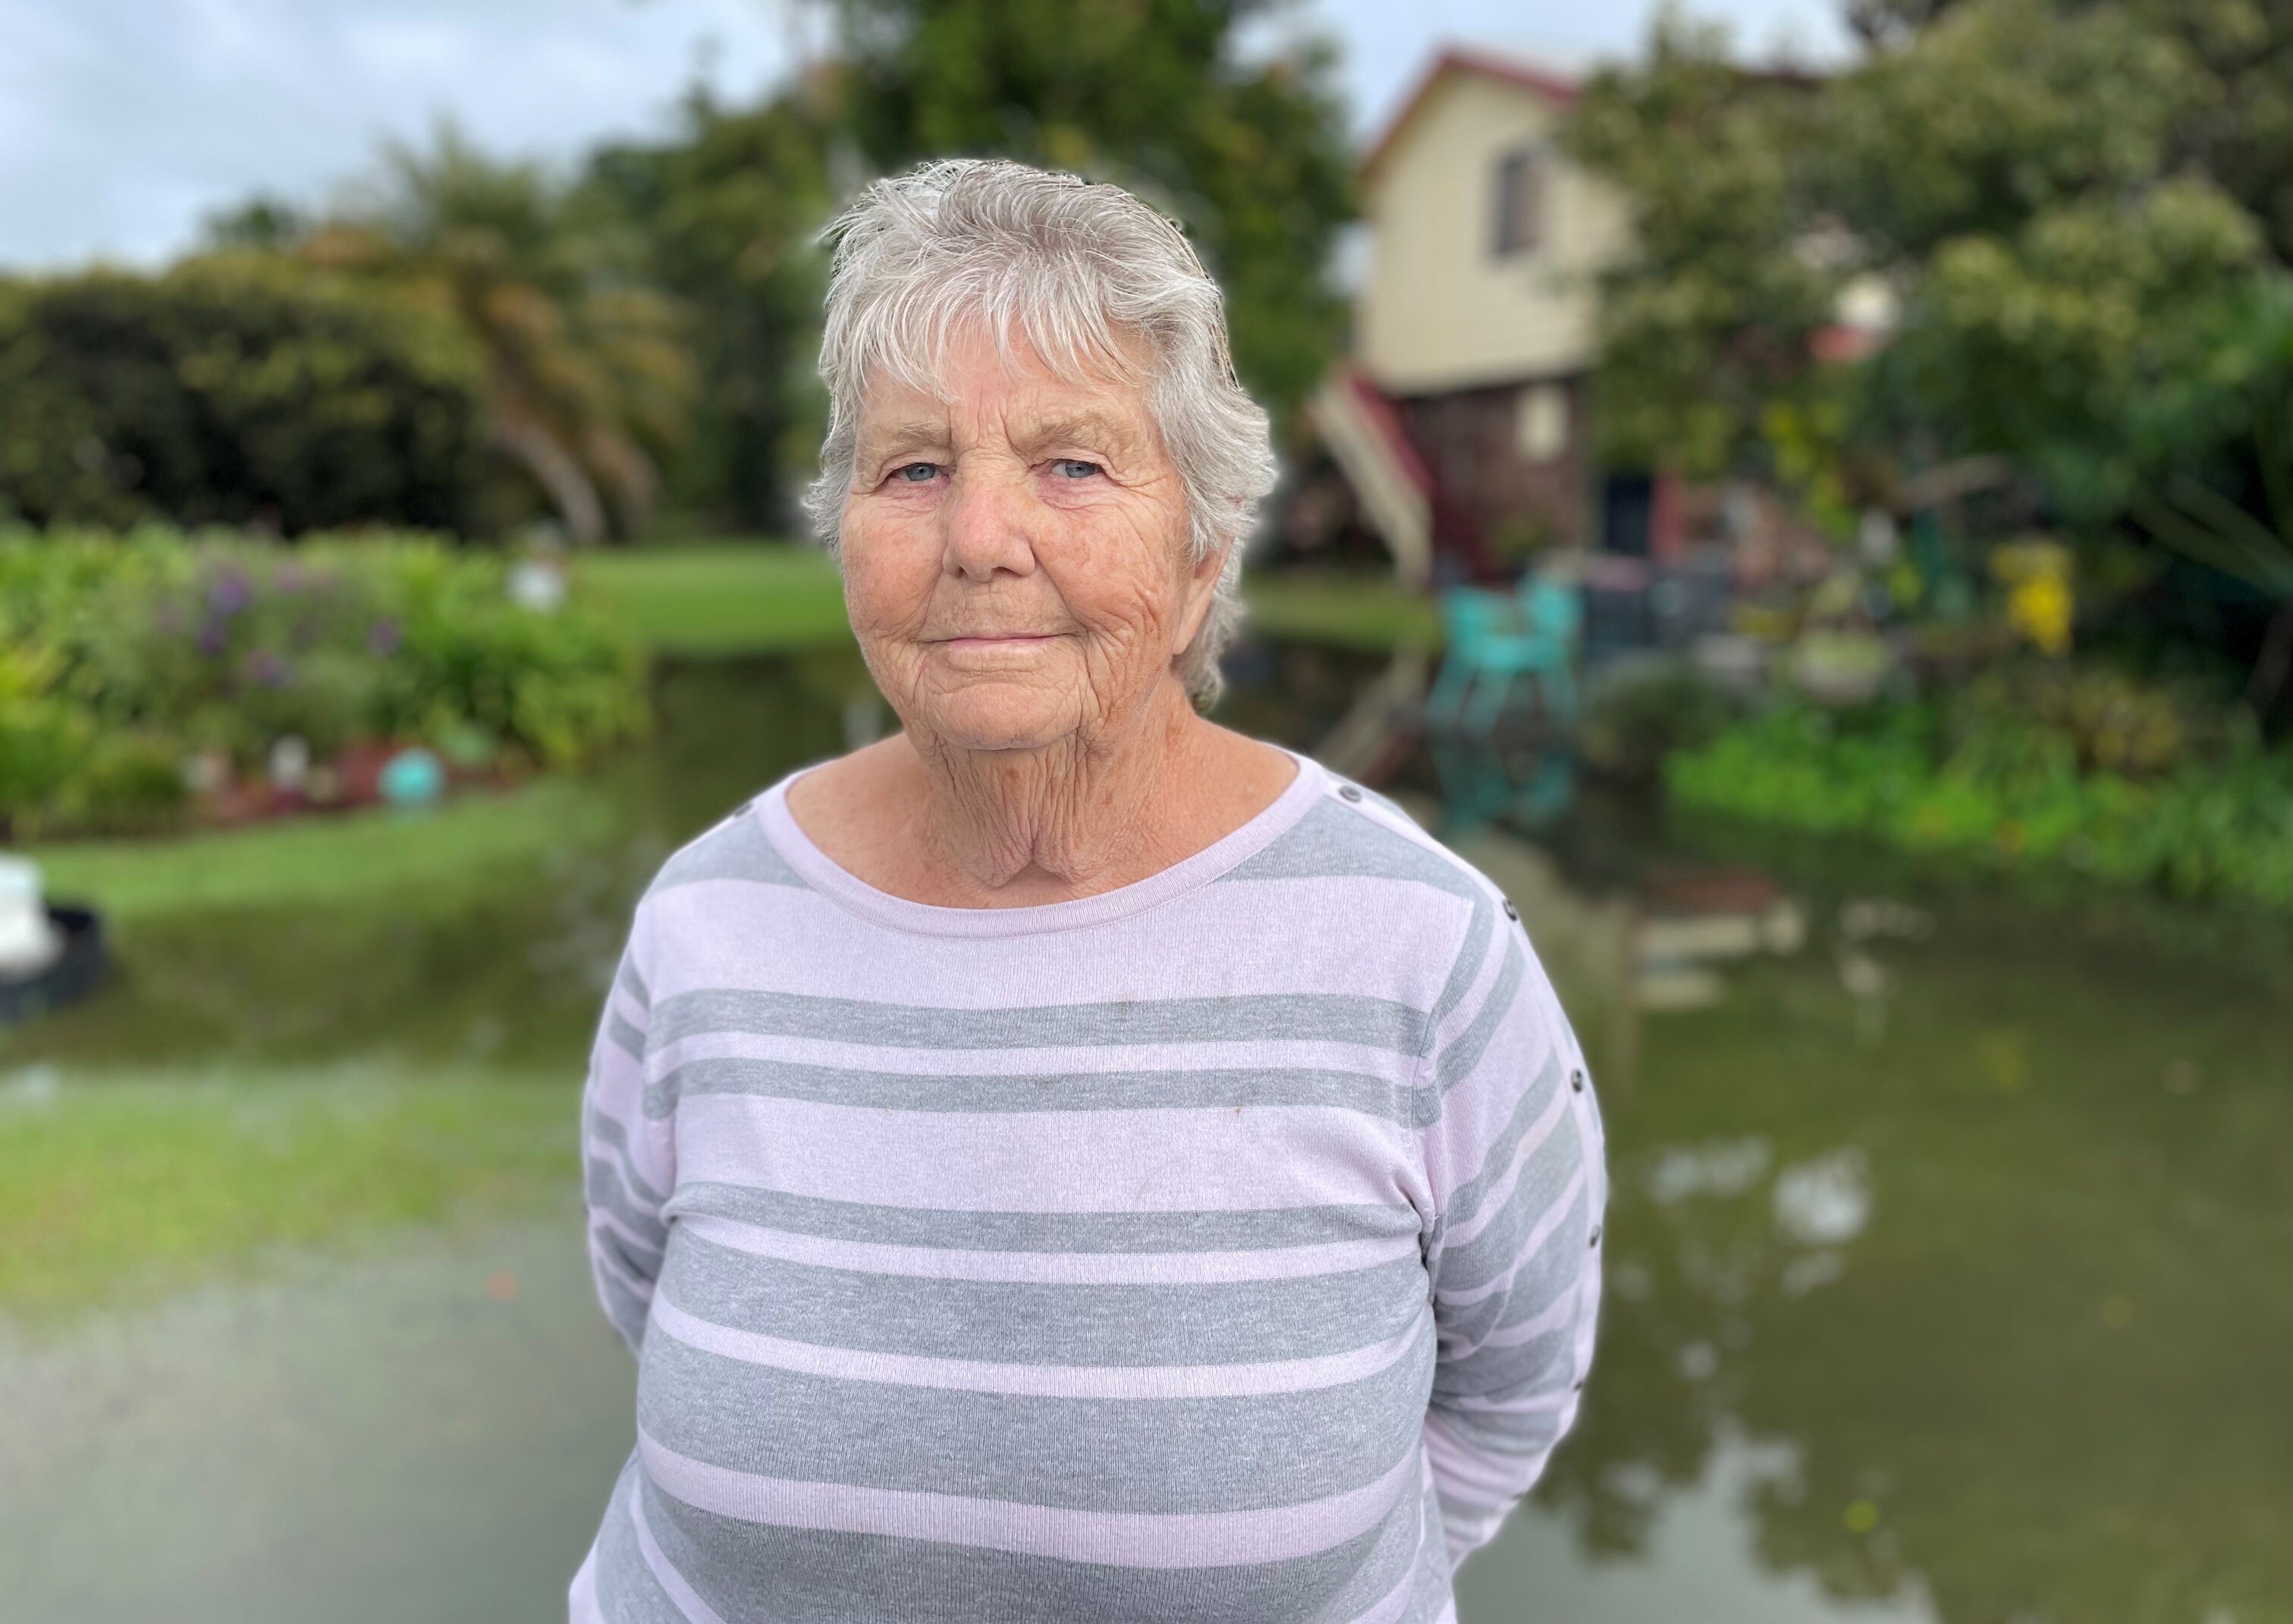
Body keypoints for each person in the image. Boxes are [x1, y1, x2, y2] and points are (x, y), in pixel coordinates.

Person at [570, 158, 1607, 1624]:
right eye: (913, 468)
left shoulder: (1421, 948)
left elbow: (1510, 1386)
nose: (982, 539)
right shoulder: (706, 919)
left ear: (1202, 551)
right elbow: (639, 1280)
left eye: (1073, 463)